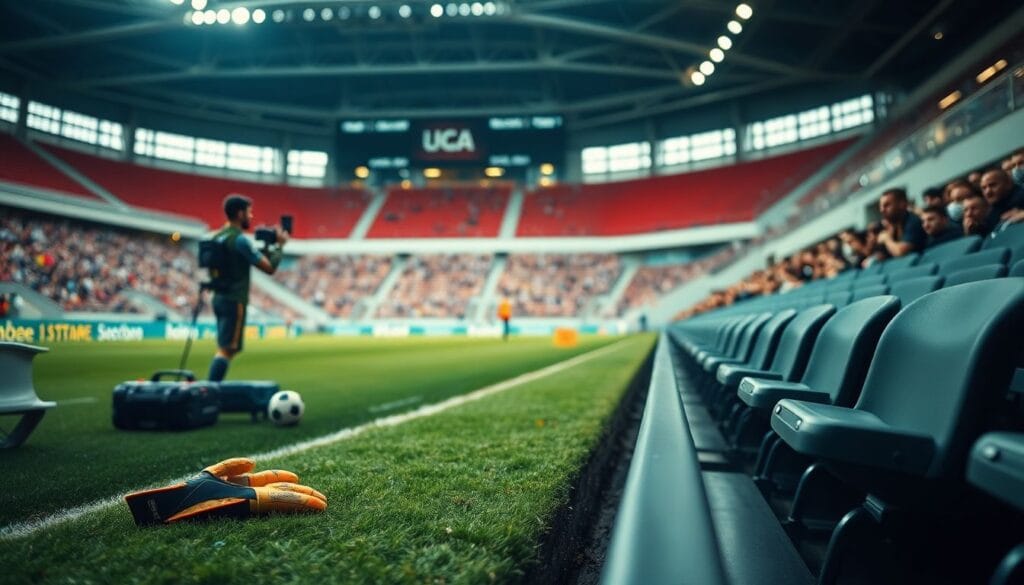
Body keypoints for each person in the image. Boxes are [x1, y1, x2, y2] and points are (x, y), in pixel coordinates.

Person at [206, 195, 289, 382]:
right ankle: (209, 391)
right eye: (249, 212)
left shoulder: (218, 236)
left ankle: (210, 389)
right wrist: (280, 247)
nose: (251, 217)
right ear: (239, 213)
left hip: (219, 297)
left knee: (225, 347)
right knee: (228, 349)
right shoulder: (240, 240)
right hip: (234, 299)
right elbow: (269, 267)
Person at [873, 187, 927, 260]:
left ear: (902, 204)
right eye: (881, 206)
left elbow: (900, 252)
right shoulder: (893, 226)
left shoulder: (913, 221)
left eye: (887, 205)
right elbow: (880, 256)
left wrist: (887, 239)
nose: (882, 210)